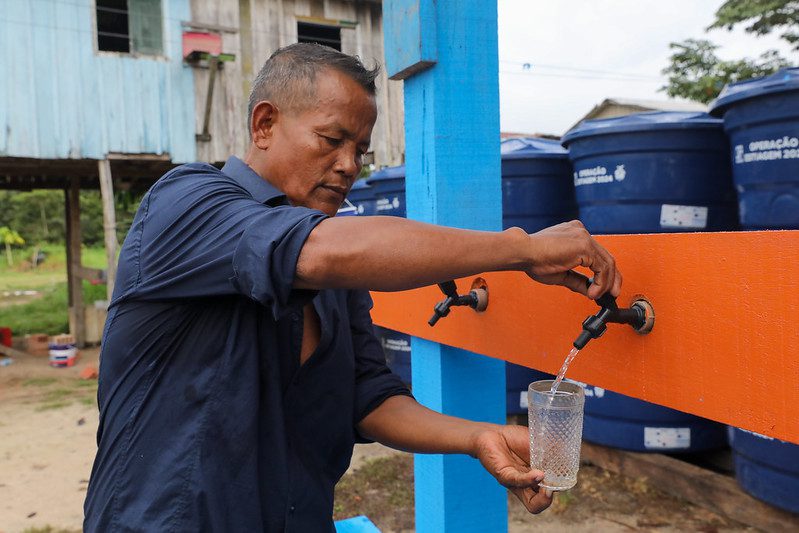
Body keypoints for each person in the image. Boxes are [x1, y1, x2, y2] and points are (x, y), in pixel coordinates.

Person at [84, 43, 622, 532]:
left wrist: (476, 438)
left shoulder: (335, 270)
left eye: (360, 150)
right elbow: (317, 252)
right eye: (331, 140)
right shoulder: (188, 204)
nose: (348, 166)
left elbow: (368, 395)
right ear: (265, 124)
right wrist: (522, 249)